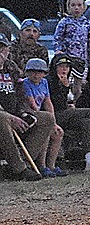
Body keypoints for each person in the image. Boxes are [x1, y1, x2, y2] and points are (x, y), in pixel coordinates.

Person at [0, 36, 51, 181]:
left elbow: (21, 93)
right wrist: (8, 116)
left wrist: (22, 112)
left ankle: (20, 162)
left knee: (47, 118)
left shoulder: (11, 68)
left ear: (7, 51)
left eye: (2, 49)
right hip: (2, 115)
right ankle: (19, 169)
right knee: (2, 118)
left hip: (14, 112)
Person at [20, 58, 66, 177]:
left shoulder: (44, 82)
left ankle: (52, 165)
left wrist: (54, 122)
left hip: (43, 116)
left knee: (58, 133)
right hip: (30, 116)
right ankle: (42, 166)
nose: (36, 75)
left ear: (44, 73)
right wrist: (48, 121)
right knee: (45, 131)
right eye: (32, 72)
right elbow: (32, 104)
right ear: (27, 72)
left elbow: (47, 102)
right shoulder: (25, 84)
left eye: (39, 72)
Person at [52, 0, 90, 94]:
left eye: (79, 5)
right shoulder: (64, 22)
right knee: (66, 84)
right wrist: (58, 51)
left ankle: (78, 104)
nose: (76, 8)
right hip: (67, 60)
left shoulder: (87, 23)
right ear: (68, 7)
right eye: (73, 5)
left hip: (82, 61)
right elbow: (57, 39)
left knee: (79, 87)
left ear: (84, 7)